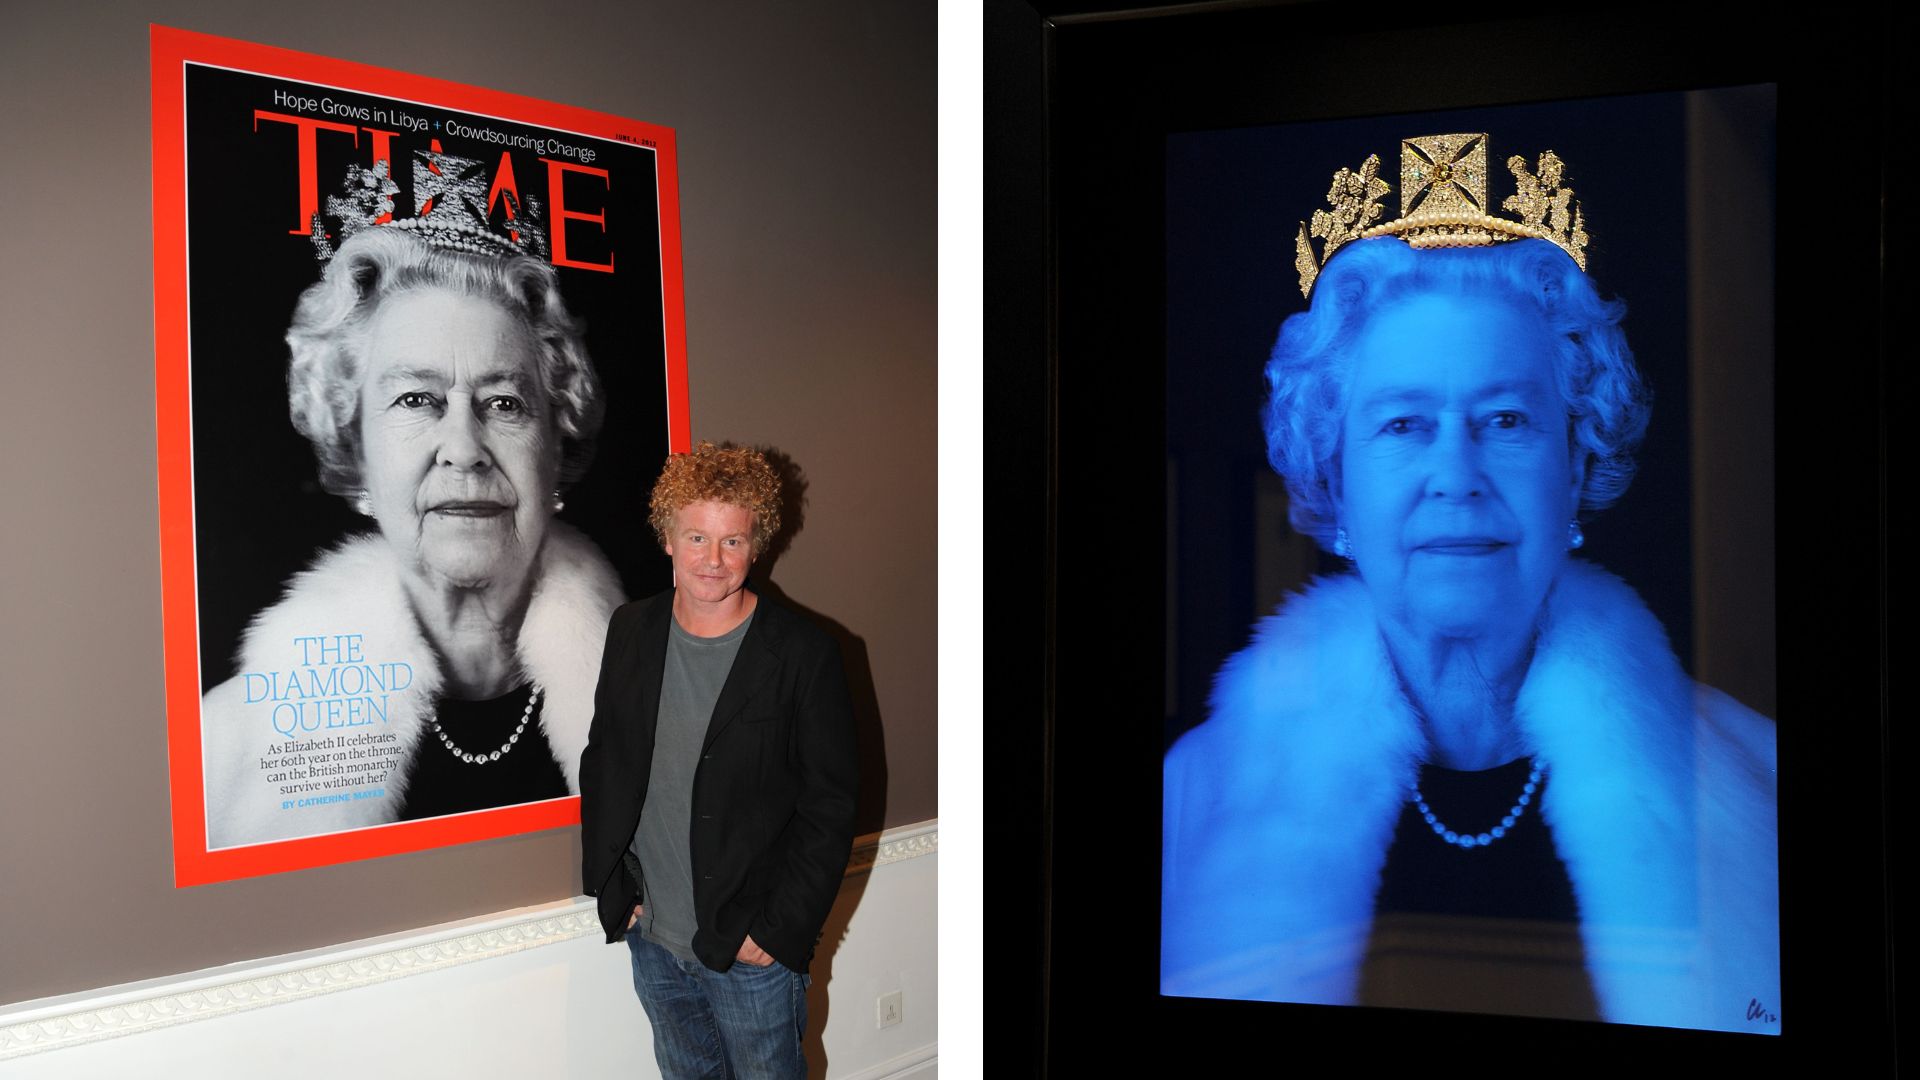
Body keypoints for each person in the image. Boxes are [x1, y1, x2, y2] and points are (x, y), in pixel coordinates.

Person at [1161, 134, 1779, 1033]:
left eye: (1505, 417)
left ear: (1574, 467)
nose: (1456, 473)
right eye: (1406, 423)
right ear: (1336, 484)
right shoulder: (1192, 798)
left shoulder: (1758, 787)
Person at [200, 213, 625, 847]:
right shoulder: (229, 747)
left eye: (504, 402)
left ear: (556, 451)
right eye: (416, 399)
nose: (463, 448)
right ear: (356, 448)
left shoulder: (663, 701)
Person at [580, 441, 858, 1079]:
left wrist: (778, 930)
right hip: (652, 936)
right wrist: (616, 882)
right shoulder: (630, 629)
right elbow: (604, 759)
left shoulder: (803, 654)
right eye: (697, 538)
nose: (713, 559)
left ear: (756, 546)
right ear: (668, 539)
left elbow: (830, 807)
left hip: (749, 945)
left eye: (732, 541)